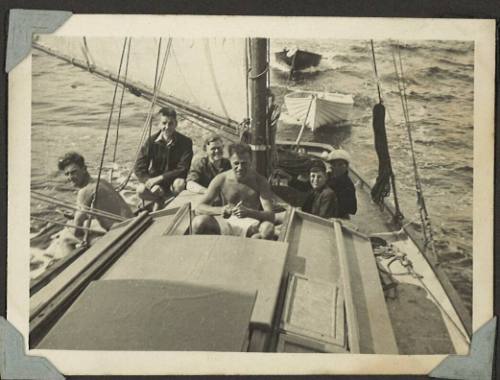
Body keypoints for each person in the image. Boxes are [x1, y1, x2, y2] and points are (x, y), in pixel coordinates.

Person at [192, 143, 276, 239]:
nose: (240, 167)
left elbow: (270, 215)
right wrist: (221, 210)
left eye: (244, 163)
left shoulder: (260, 181)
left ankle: (251, 247)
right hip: (225, 222)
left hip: (251, 224)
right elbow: (199, 208)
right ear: (230, 161)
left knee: (268, 228)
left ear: (251, 161)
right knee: (198, 222)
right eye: (236, 163)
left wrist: (248, 212)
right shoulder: (221, 179)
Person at [57, 152, 134, 238]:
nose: (70, 177)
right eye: (67, 174)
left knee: (66, 233)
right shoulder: (101, 181)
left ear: (84, 169)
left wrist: (77, 233)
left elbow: (77, 228)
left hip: (122, 233)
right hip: (131, 223)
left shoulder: (85, 191)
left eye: (73, 172)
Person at [134, 107, 193, 210]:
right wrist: (150, 183)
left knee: (180, 184)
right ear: (159, 124)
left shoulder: (186, 142)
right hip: (155, 183)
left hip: (173, 182)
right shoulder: (151, 142)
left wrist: (160, 178)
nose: (167, 127)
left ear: (176, 124)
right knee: (140, 190)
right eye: (164, 123)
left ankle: (176, 207)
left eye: (171, 123)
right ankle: (159, 200)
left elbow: (183, 168)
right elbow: (139, 168)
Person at [186, 134, 231, 199]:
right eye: (213, 149)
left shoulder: (228, 163)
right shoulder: (200, 163)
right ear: (205, 149)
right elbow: (190, 184)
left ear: (223, 147)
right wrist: (207, 191)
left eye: (219, 148)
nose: (217, 151)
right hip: (205, 197)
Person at [327, 149, 357, 219]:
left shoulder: (348, 186)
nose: (337, 167)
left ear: (346, 167)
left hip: (337, 217)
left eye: (340, 165)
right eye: (334, 164)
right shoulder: (327, 177)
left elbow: (352, 209)